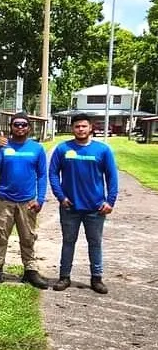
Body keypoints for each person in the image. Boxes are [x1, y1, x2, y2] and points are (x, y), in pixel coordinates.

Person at [48, 112, 119, 294]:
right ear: (72, 129)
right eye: (77, 126)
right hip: (69, 207)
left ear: (91, 128)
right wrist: (61, 197)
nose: (80, 129)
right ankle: (64, 277)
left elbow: (112, 177)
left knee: (95, 243)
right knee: (68, 242)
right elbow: (53, 174)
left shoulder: (102, 150)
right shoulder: (63, 149)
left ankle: (96, 278)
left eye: (84, 126)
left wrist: (110, 201)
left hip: (95, 208)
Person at [0, 112, 50, 289]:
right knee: (0, 236)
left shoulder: (36, 148)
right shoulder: (4, 145)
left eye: (23, 125)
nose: (20, 128)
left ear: (29, 127)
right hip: (5, 199)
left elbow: (42, 176)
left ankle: (30, 271)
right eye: (16, 124)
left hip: (27, 202)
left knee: (28, 237)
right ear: (11, 127)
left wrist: (41, 199)